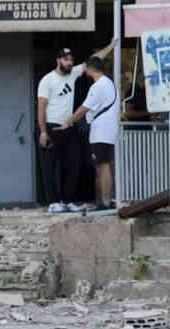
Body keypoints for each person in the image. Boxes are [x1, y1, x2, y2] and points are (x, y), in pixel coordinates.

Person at [37, 39, 117, 213]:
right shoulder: (47, 80)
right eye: (65, 59)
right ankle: (53, 202)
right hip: (52, 126)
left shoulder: (73, 73)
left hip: (69, 128)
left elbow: (93, 60)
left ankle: (66, 201)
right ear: (58, 60)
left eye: (71, 60)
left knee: (74, 165)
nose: (69, 63)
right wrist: (43, 131)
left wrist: (110, 46)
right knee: (51, 167)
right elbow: (41, 108)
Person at [59, 57, 119, 210]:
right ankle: (104, 200)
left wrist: (68, 121)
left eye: (85, 67)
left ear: (91, 69)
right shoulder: (108, 83)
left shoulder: (98, 86)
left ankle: (105, 202)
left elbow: (84, 108)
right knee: (101, 165)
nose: (84, 70)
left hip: (102, 131)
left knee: (103, 165)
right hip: (105, 129)